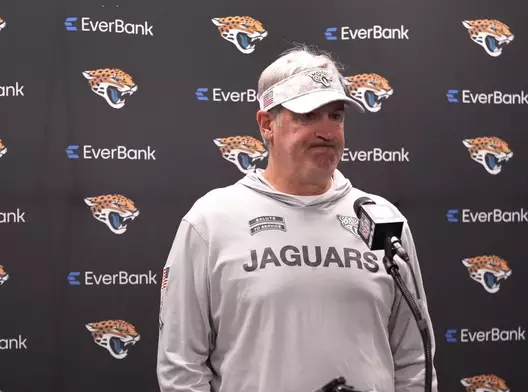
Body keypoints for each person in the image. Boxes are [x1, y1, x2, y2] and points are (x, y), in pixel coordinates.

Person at [156, 44, 438, 392]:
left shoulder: (382, 219)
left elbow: (414, 360)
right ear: (266, 124)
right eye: (308, 116)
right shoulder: (211, 222)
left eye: (336, 115)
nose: (327, 131)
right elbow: (181, 367)